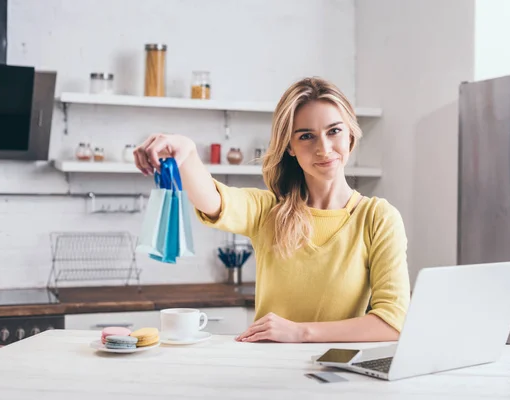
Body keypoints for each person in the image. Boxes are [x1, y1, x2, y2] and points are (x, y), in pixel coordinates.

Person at [134, 77, 410, 343]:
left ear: (350, 133)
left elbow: (392, 322)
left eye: (334, 131)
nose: (323, 148)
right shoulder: (267, 211)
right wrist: (188, 154)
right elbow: (214, 200)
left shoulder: (378, 218)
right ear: (289, 146)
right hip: (268, 369)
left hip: (338, 375)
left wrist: (300, 333)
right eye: (306, 136)